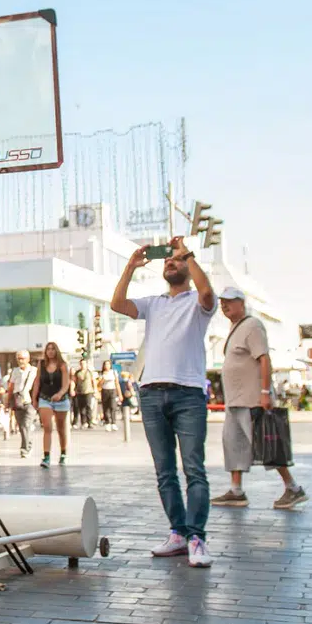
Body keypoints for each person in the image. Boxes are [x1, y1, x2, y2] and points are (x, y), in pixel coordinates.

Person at [111, 236, 217, 568]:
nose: (170, 263)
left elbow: (208, 292)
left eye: (177, 261)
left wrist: (187, 253)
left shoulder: (199, 303)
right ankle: (177, 533)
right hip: (152, 393)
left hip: (188, 394)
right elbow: (117, 304)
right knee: (164, 472)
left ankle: (196, 537)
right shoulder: (154, 303)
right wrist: (130, 266)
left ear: (188, 265)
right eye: (167, 261)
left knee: (194, 469)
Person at [209, 288, 307, 510]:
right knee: (233, 444)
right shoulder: (235, 328)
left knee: (267, 446)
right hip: (235, 400)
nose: (224, 306)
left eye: (230, 302)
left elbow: (264, 359)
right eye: (222, 302)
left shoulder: (252, 326)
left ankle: (293, 488)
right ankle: (236, 490)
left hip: (252, 399)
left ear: (242, 304)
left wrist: (265, 392)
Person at [32, 342, 71, 467]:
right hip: (45, 399)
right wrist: (34, 398)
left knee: (61, 428)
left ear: (56, 351)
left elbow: (66, 384)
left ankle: (63, 453)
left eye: (53, 349)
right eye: (48, 349)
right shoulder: (41, 364)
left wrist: (59, 394)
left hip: (61, 400)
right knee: (47, 427)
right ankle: (46, 457)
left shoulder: (63, 365)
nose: (50, 351)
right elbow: (37, 381)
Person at [7, 351, 37, 458]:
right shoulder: (15, 371)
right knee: (22, 427)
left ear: (28, 359)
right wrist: (8, 401)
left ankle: (25, 449)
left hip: (30, 402)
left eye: (23, 358)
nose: (21, 361)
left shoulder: (34, 371)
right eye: (19, 358)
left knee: (26, 425)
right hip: (18, 401)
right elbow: (11, 387)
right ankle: (29, 444)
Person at [72, 362, 96, 429]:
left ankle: (89, 422)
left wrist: (95, 390)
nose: (83, 365)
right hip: (79, 392)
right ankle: (83, 422)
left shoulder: (89, 372)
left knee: (88, 406)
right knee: (81, 407)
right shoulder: (77, 373)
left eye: (84, 364)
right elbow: (74, 381)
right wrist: (73, 389)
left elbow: (93, 381)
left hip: (88, 391)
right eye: (81, 364)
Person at [99, 360, 119, 431]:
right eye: (105, 364)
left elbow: (117, 383)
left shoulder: (113, 372)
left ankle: (113, 423)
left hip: (112, 390)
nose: (107, 366)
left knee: (113, 406)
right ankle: (107, 422)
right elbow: (99, 384)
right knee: (106, 407)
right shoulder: (102, 373)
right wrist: (103, 379)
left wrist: (119, 394)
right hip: (105, 390)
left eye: (108, 364)